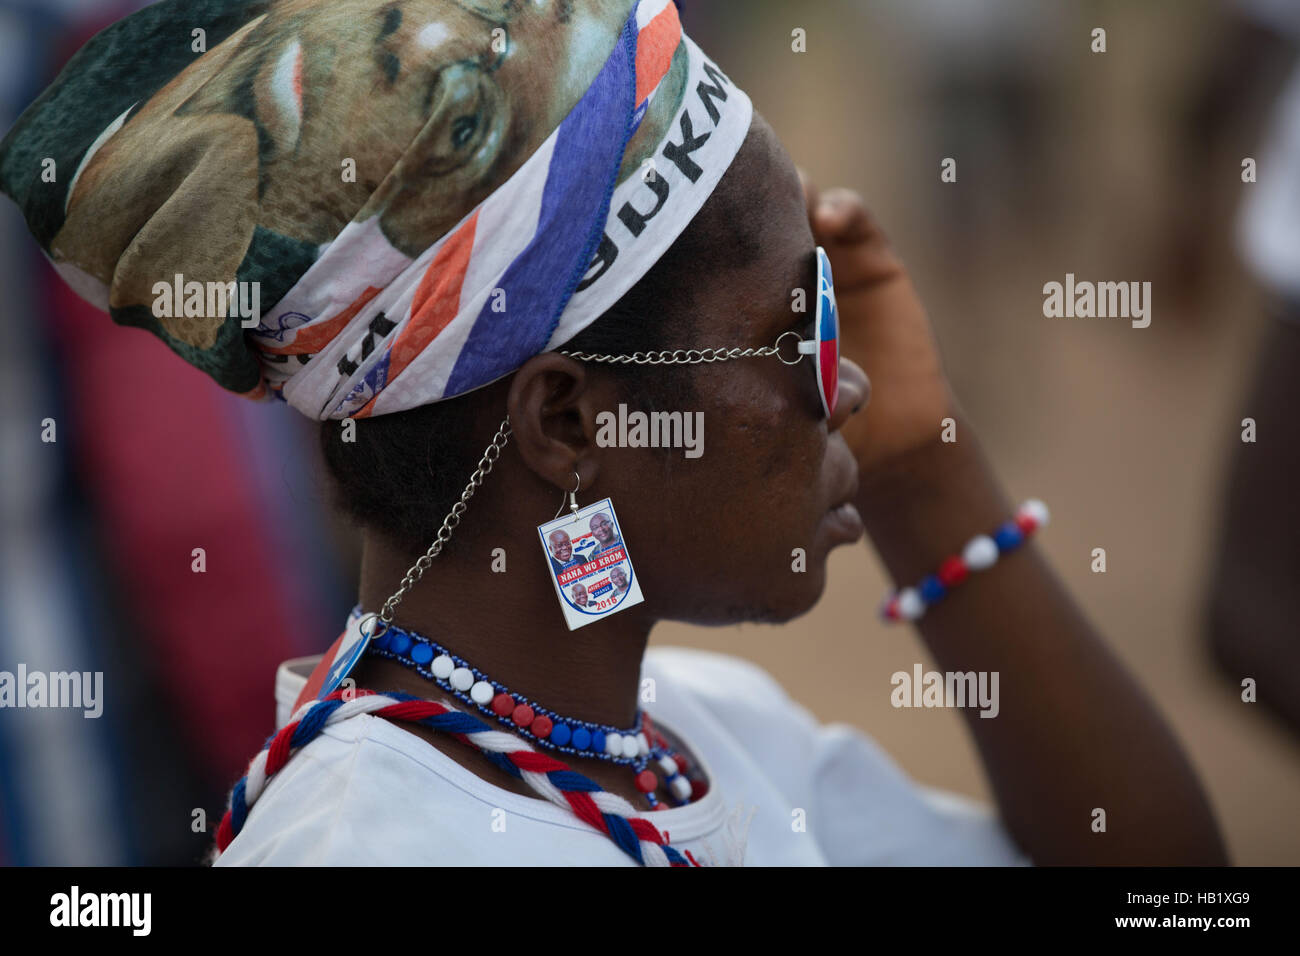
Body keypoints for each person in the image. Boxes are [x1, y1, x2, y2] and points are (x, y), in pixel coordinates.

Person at [0, 0, 1227, 866]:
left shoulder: (702, 736)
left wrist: (926, 474)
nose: (848, 383)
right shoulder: (375, 843)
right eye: (801, 324)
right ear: (573, 419)